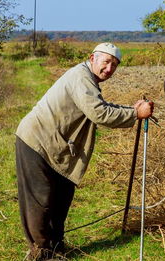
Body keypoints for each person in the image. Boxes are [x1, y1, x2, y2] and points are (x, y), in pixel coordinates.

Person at [15, 43, 154, 260]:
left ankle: (56, 247)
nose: (109, 69)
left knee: (61, 196)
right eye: (106, 62)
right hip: (37, 141)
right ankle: (41, 252)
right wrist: (135, 115)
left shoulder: (87, 79)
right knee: (40, 200)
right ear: (92, 58)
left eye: (114, 65)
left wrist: (132, 110)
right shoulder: (81, 77)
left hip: (55, 145)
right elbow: (99, 113)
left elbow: (100, 105)